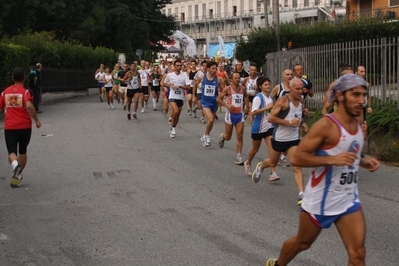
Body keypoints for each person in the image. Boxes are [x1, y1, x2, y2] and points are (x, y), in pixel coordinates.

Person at [265, 74, 380, 266]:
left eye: (363, 95)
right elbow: (299, 158)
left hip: (348, 198)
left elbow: (348, 152)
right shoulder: (326, 125)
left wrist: (363, 161)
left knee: (358, 255)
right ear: (341, 96)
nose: (361, 100)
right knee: (302, 243)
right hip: (321, 199)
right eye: (355, 95)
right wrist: (332, 159)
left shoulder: (358, 122)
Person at [252, 78, 308, 206]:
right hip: (280, 138)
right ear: (291, 89)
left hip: (293, 139)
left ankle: (301, 195)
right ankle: (260, 167)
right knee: (272, 162)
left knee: (297, 166)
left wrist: (303, 123)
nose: (300, 91)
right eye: (298, 89)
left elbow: (298, 116)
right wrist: (289, 123)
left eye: (302, 89)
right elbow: (271, 118)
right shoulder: (282, 101)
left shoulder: (301, 101)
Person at [0, 67, 42, 188]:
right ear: (24, 78)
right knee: (22, 150)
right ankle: (17, 175)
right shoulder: (25, 92)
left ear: (12, 78)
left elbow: (1, 109)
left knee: (11, 151)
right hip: (24, 126)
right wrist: (37, 120)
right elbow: (29, 105)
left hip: (10, 126)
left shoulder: (4, 92)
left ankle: (14, 165)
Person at [244, 77, 279, 180]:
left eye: (269, 84)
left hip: (269, 127)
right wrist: (267, 108)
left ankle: (273, 173)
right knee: (255, 149)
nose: (268, 86)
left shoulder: (270, 98)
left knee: (271, 150)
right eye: (265, 85)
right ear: (260, 86)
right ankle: (248, 162)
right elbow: (253, 112)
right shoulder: (258, 98)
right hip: (258, 128)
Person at [217, 72, 250, 165]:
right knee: (228, 137)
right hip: (230, 115)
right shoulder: (228, 89)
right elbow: (218, 99)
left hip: (239, 114)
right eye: (235, 78)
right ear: (231, 80)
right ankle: (223, 137)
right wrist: (227, 105)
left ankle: (238, 156)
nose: (237, 80)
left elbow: (246, 97)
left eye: (238, 78)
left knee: (240, 135)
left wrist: (247, 107)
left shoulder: (242, 89)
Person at [193, 61, 225, 147]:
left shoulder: (218, 79)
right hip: (205, 102)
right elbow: (194, 84)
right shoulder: (202, 77)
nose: (215, 70)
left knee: (212, 121)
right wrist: (194, 96)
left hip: (214, 102)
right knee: (210, 119)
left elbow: (224, 90)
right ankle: (206, 136)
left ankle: (206, 135)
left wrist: (221, 98)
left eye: (216, 68)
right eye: (213, 68)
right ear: (208, 69)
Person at [270, 69, 294, 168]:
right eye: (287, 74)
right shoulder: (278, 87)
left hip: (291, 120)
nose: (290, 76)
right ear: (283, 77)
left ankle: (283, 158)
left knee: (292, 141)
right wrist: (274, 107)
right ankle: (270, 163)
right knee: (279, 145)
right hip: (279, 121)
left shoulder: (295, 88)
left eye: (291, 74)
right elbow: (270, 98)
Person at [163, 59, 191, 138]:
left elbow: (189, 87)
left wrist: (180, 86)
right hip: (172, 97)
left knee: (178, 115)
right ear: (174, 67)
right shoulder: (170, 75)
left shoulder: (184, 75)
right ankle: (171, 120)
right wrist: (169, 85)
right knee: (175, 110)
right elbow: (164, 83)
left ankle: (173, 128)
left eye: (180, 65)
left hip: (180, 97)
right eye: (177, 65)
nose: (179, 67)